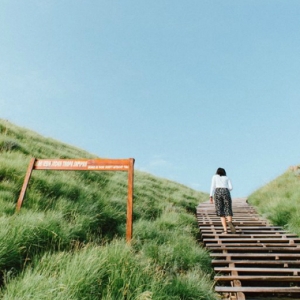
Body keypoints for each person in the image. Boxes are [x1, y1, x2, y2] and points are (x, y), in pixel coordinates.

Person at [210, 167, 235, 234]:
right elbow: (231, 188)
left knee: (221, 211)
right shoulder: (227, 178)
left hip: (218, 191)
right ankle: (229, 222)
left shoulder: (214, 177)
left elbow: (212, 186)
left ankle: (225, 230)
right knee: (228, 208)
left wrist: (211, 196)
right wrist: (225, 189)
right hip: (226, 191)